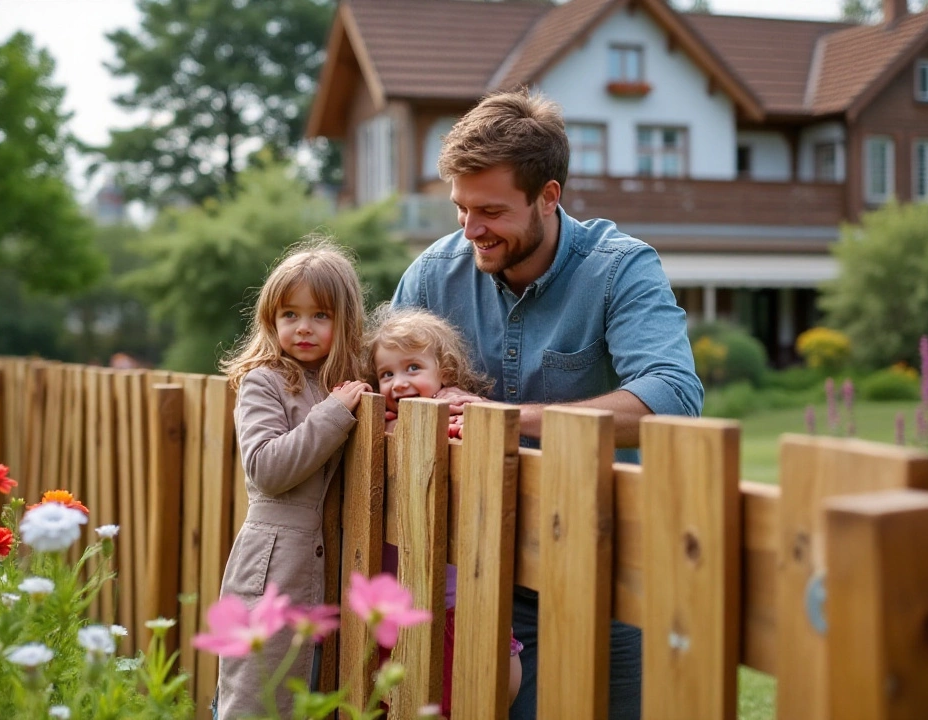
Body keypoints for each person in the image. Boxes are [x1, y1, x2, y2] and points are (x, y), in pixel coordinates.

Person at [391, 89, 704, 720]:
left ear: (549, 196)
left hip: (600, 568)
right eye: (459, 208)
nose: (471, 229)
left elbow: (672, 397)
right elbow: (379, 386)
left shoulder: (620, 269)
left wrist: (510, 421)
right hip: (467, 571)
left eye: (491, 211)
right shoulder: (432, 275)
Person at [216, 239, 372, 719]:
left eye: (320, 315)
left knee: (322, 695)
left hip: (339, 566)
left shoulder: (351, 381)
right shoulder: (265, 381)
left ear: (344, 320)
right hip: (275, 569)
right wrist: (331, 414)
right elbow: (266, 468)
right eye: (289, 314)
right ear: (271, 319)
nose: (303, 327)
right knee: (259, 695)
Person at [364, 304, 523, 715]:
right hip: (395, 611)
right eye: (387, 374)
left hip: (454, 604)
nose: (399, 383)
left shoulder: (456, 421)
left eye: (413, 368)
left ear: (445, 375)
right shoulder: (374, 428)